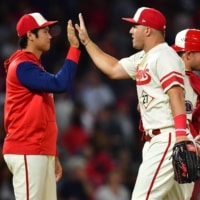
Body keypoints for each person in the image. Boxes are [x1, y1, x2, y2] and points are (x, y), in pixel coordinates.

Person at [75, 6, 194, 200]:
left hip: (168, 137)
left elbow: (176, 95)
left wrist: (180, 137)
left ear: (147, 30)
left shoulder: (164, 55)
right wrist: (87, 42)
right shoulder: (143, 57)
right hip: (158, 139)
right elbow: (113, 68)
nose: (131, 30)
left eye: (135, 26)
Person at [2, 12, 81, 200]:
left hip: (38, 150)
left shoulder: (33, 66)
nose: (50, 35)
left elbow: (43, 116)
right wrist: (74, 48)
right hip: (26, 149)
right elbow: (60, 84)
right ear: (30, 35)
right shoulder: (22, 66)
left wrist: (52, 152)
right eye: (45, 31)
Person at [172, 28, 200, 200]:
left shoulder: (160, 76)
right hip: (184, 148)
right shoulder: (194, 82)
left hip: (173, 149)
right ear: (188, 55)